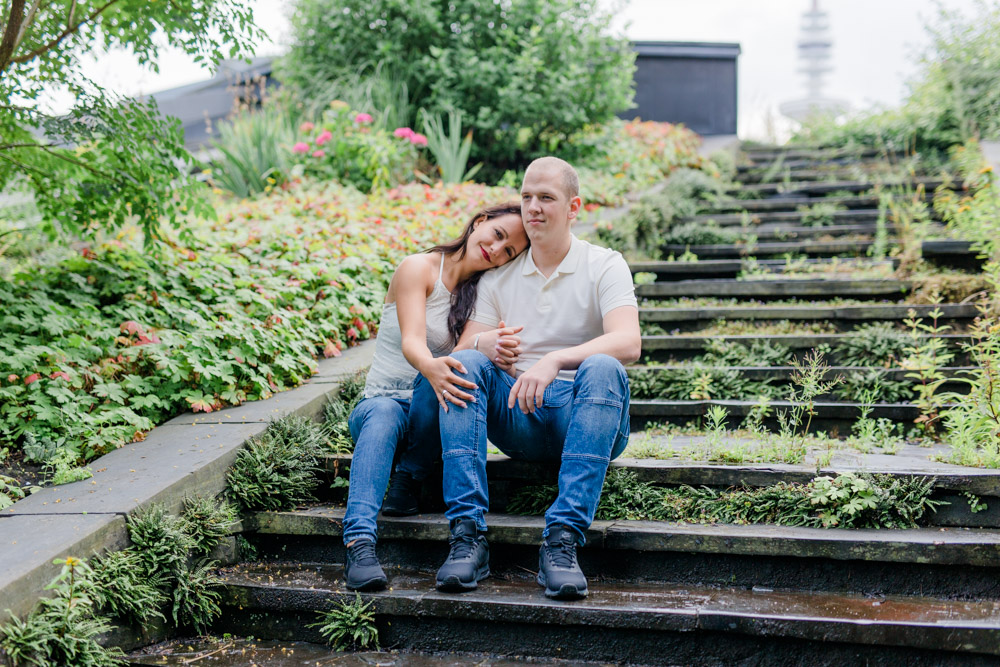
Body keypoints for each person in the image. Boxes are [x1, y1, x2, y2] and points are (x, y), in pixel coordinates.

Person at [414, 156, 641, 600]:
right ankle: (468, 537)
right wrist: (487, 346)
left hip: (585, 413)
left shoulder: (604, 264)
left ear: (573, 207)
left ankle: (561, 542)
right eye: (526, 197)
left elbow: (628, 342)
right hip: (519, 413)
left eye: (546, 198)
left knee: (605, 366)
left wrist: (555, 360)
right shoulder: (499, 277)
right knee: (469, 365)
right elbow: (464, 353)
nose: (533, 207)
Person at [342, 203, 529, 591]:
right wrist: (434, 366)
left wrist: (491, 345)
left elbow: (467, 355)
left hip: (430, 411)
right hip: (382, 402)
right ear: (480, 222)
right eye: (497, 235)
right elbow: (412, 340)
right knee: (383, 414)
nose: (496, 250)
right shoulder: (419, 268)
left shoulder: (481, 295)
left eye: (508, 251)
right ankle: (359, 543)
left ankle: (408, 478)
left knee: (456, 368)